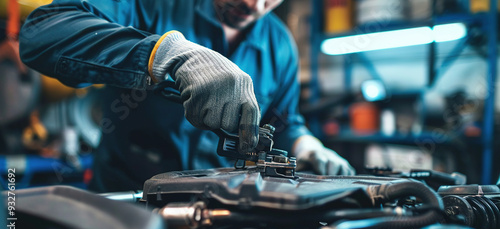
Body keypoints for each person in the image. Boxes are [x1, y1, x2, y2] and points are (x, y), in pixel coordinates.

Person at [20, 0, 355, 192]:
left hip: (224, 216)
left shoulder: (280, 45)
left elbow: (281, 121)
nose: (253, 4)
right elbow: (41, 35)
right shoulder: (148, 4)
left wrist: (306, 145)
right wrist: (163, 53)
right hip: (128, 210)